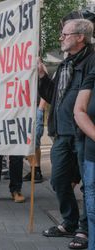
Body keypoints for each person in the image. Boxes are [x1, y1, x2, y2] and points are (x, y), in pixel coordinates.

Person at [39, 19, 94, 249]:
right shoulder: (63, 64)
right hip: (62, 133)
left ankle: (84, 228)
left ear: (80, 37)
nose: (61, 38)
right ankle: (70, 221)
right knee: (59, 179)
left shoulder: (92, 61)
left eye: (65, 34)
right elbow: (54, 96)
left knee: (88, 185)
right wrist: (42, 77)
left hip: (82, 134)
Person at [74, 68, 95, 250]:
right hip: (93, 156)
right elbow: (79, 111)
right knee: (93, 212)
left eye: (65, 35)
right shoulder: (93, 74)